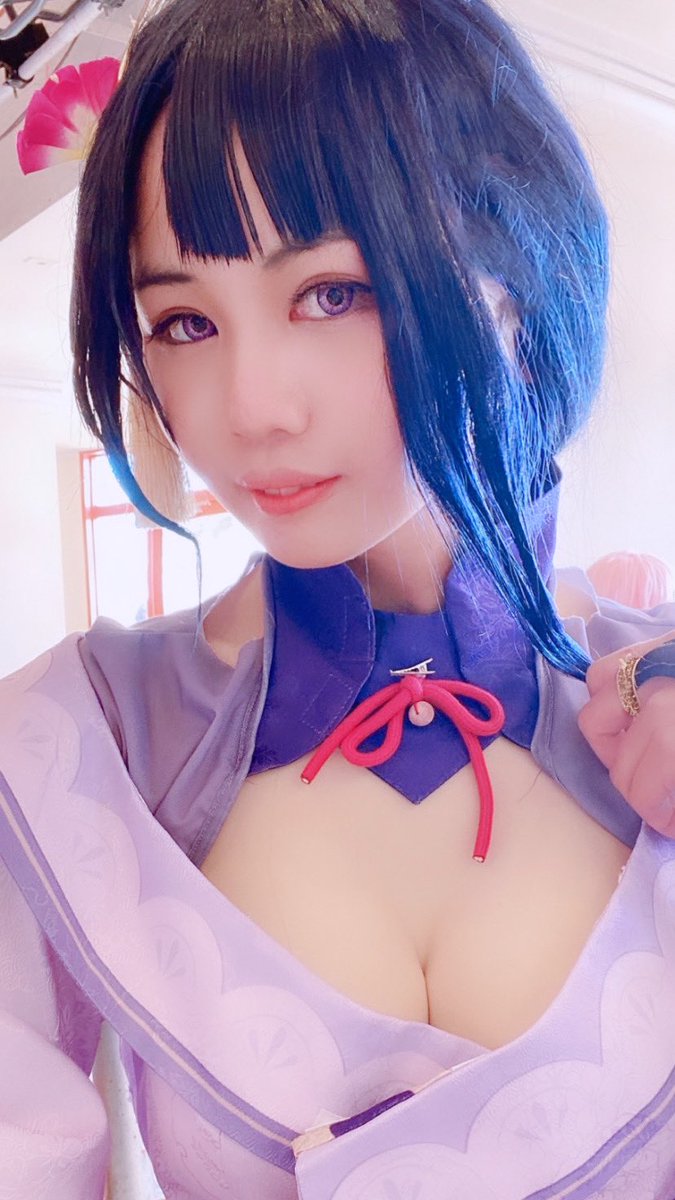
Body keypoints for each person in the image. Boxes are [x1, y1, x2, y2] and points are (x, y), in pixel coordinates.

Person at [2, 0, 675, 1196]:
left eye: (330, 293)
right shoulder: (73, 748)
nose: (251, 408)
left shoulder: (652, 688)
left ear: (516, 272)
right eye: (185, 321)